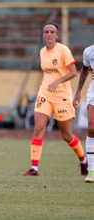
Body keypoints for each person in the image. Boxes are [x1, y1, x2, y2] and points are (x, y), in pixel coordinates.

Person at [23, 22, 88, 176]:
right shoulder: (42, 52)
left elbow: (73, 72)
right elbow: (48, 74)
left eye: (52, 32)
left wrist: (58, 81)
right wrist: (48, 84)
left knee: (67, 135)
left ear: (57, 35)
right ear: (43, 35)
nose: (49, 34)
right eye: (46, 32)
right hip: (45, 93)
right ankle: (34, 168)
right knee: (38, 129)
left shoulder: (63, 50)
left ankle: (83, 161)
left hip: (62, 96)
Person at [73, 44, 94, 182]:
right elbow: (84, 70)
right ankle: (91, 170)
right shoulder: (89, 51)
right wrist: (78, 91)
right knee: (92, 128)